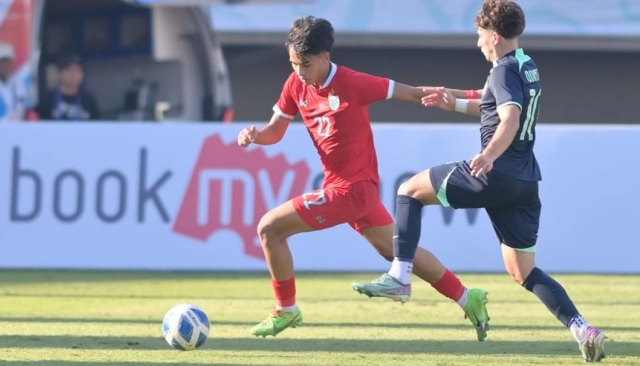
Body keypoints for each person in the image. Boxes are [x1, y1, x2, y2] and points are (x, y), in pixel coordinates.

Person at [351, 0, 608, 362]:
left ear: (496, 36)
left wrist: (488, 155)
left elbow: (509, 120)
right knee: (523, 271)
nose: (478, 43)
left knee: (408, 190)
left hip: (495, 173)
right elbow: (492, 104)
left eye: (480, 35)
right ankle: (583, 329)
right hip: (524, 183)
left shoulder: (503, 70)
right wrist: (451, 103)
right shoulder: (525, 65)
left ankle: (400, 276)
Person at [237, 16, 489, 339]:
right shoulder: (295, 84)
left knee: (269, 228)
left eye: (305, 64)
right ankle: (469, 298)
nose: (299, 71)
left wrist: (473, 96)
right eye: (293, 62)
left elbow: (414, 94)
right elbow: (276, 130)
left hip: (352, 191)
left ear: (325, 57)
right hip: (350, 191)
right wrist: (255, 135)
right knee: (398, 252)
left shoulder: (353, 83)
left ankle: (287, 310)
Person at [37, 55, 100, 121]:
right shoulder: (48, 100)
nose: (74, 75)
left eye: (78, 71)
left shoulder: (89, 100)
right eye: (69, 70)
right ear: (60, 73)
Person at [0, 42, 32, 121]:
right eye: (1, 61)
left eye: (8, 61)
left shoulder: (21, 84)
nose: (5, 65)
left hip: (19, 130)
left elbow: (27, 110)